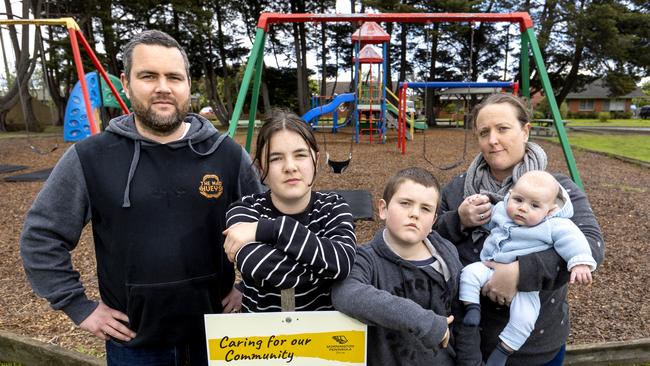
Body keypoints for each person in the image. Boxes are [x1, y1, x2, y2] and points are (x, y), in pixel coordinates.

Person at [20, 30, 262, 365]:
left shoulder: (227, 155)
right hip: (135, 346)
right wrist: (79, 306)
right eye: (149, 76)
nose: (163, 87)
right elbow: (40, 236)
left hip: (219, 339)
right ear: (126, 82)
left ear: (188, 84)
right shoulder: (90, 157)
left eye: (173, 77)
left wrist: (248, 287)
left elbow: (269, 223)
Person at [434, 93, 605, 365]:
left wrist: (520, 272)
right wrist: (458, 221)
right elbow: (425, 240)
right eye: (484, 132)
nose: (492, 140)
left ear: (525, 131)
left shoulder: (558, 191)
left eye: (503, 129)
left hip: (534, 344)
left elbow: (591, 247)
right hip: (466, 339)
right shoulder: (458, 189)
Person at [331, 167, 482, 366]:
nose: (414, 214)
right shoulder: (365, 259)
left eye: (425, 209)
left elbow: (463, 319)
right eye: (405, 204)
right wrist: (423, 321)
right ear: (383, 209)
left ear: (434, 220)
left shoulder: (447, 256)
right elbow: (346, 294)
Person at [223, 109, 356, 312]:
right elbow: (259, 266)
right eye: (276, 158)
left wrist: (268, 230)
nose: (290, 166)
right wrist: (325, 269)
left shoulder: (333, 208)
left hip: (323, 337)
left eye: (300, 155)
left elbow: (342, 260)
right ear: (260, 168)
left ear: (316, 161)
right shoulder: (244, 211)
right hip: (262, 339)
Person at [459, 170, 597, 366]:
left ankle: (504, 349)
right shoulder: (501, 210)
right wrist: (473, 206)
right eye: (518, 200)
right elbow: (486, 216)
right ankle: (472, 308)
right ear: (510, 195)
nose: (522, 208)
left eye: (534, 205)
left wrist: (580, 262)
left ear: (549, 211)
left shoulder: (554, 225)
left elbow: (574, 240)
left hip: (527, 287)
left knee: (525, 319)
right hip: (489, 266)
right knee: (469, 274)